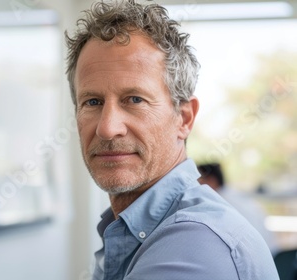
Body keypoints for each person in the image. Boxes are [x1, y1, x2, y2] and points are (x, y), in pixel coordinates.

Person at [64, 1, 278, 279]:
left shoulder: (196, 244)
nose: (107, 128)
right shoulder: (130, 229)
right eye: (92, 102)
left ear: (184, 119)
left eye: (135, 100)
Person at [198, 163, 280, 256]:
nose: (195, 185)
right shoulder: (237, 195)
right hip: (273, 256)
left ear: (211, 180)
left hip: (255, 257)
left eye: (198, 180)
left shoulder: (219, 204)